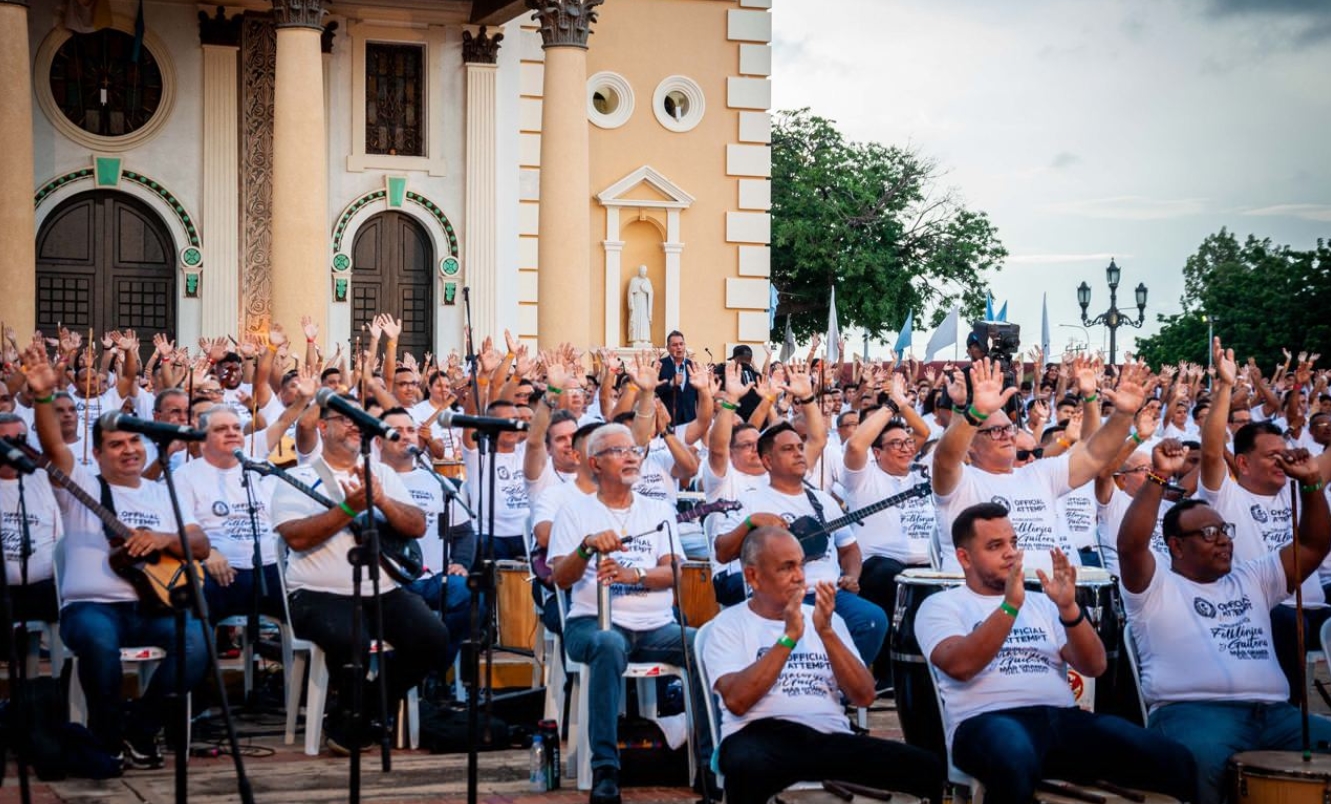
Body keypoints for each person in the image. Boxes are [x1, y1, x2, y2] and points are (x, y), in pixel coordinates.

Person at [917, 503, 1196, 804]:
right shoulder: (942, 605)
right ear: (964, 558)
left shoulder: (1041, 603)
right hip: (986, 722)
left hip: (1060, 718)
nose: (1011, 553)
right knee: (1013, 758)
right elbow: (960, 665)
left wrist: (1068, 608)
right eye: (995, 546)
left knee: (1173, 759)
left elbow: (1094, 666)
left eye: (1013, 542)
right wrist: (1009, 607)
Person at [25, 338, 210, 769]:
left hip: (154, 606)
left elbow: (199, 545)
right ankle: (106, 738)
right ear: (96, 453)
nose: (129, 450)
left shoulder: (162, 491)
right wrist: (43, 396)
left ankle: (141, 728)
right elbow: (53, 447)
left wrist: (162, 540)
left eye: (134, 442)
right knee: (98, 642)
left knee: (197, 642)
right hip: (91, 607)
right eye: (116, 444)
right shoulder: (83, 484)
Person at [1118, 438, 1331, 804]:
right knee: (1201, 764)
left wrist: (1311, 484)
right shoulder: (1155, 588)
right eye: (1208, 533)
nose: (1223, 541)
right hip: (1194, 714)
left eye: (1225, 531)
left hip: (1276, 714)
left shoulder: (1253, 578)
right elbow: (1130, 546)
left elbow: (1313, 545)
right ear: (1176, 546)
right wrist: (1158, 477)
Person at [701, 526, 945, 804]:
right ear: (752, 576)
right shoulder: (728, 625)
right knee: (747, 765)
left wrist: (827, 633)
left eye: (801, 565)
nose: (799, 576)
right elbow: (737, 701)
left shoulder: (827, 620)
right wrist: (789, 638)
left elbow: (864, 696)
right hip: (760, 736)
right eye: (787, 567)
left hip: (827, 738)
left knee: (926, 767)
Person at [270, 395, 448, 753]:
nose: (355, 424)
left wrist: (382, 501)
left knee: (433, 639)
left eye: (359, 418)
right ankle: (358, 719)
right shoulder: (296, 476)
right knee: (353, 639)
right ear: (323, 427)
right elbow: (297, 537)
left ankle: (362, 713)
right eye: (345, 417)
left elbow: (417, 525)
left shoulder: (382, 473)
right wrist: (348, 509)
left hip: (383, 590)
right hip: (316, 593)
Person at [548, 423, 711, 804]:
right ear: (595, 463)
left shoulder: (658, 509)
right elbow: (561, 577)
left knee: (703, 643)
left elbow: (674, 572)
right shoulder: (574, 511)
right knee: (607, 644)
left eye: (633, 450)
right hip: (591, 623)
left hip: (657, 627)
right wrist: (586, 548)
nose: (631, 457)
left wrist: (633, 574)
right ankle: (606, 768)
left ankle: (709, 763)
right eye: (618, 451)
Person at [1200, 337, 1331, 700]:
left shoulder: (1298, 487)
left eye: (1284, 453)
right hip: (1268, 612)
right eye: (1272, 455)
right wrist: (1225, 386)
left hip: (1317, 607)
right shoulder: (1226, 496)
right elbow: (1211, 452)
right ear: (1243, 463)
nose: (1282, 460)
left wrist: (1303, 387)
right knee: (1287, 624)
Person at [930, 356, 1147, 573]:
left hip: (1046, 591)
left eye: (1009, 428)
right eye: (996, 431)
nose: (1007, 436)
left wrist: (1124, 414)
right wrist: (976, 412)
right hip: (980, 592)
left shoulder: (1040, 473)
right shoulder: (961, 481)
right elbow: (945, 458)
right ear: (970, 444)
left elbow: (1095, 456)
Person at [725, 422, 887, 665]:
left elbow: (850, 550)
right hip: (778, 598)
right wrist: (749, 523)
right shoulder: (750, 501)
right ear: (768, 461)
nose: (799, 453)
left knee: (872, 620)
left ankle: (834, 684)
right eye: (788, 449)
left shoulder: (824, 501)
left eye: (800, 447)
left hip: (830, 594)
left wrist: (851, 576)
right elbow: (722, 552)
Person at [174, 406, 288, 625]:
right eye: (221, 429)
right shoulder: (184, 476)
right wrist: (206, 553)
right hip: (218, 572)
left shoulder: (263, 468)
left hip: (272, 569)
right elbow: (179, 528)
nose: (232, 433)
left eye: (236, 428)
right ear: (203, 439)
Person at [657, 330, 699, 428]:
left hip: (690, 420)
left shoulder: (692, 365)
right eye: (675, 345)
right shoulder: (660, 365)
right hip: (668, 420)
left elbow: (698, 396)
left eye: (681, 344)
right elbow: (654, 392)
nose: (679, 347)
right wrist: (670, 384)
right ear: (668, 348)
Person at [627, 265, 653, 346]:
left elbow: (651, 292)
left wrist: (646, 289)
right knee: (636, 319)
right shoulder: (634, 280)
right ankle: (635, 338)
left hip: (645, 303)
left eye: (645, 272)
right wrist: (631, 304)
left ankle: (644, 339)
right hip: (636, 302)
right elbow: (630, 293)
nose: (644, 273)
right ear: (639, 271)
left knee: (644, 320)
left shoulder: (647, 281)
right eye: (642, 271)